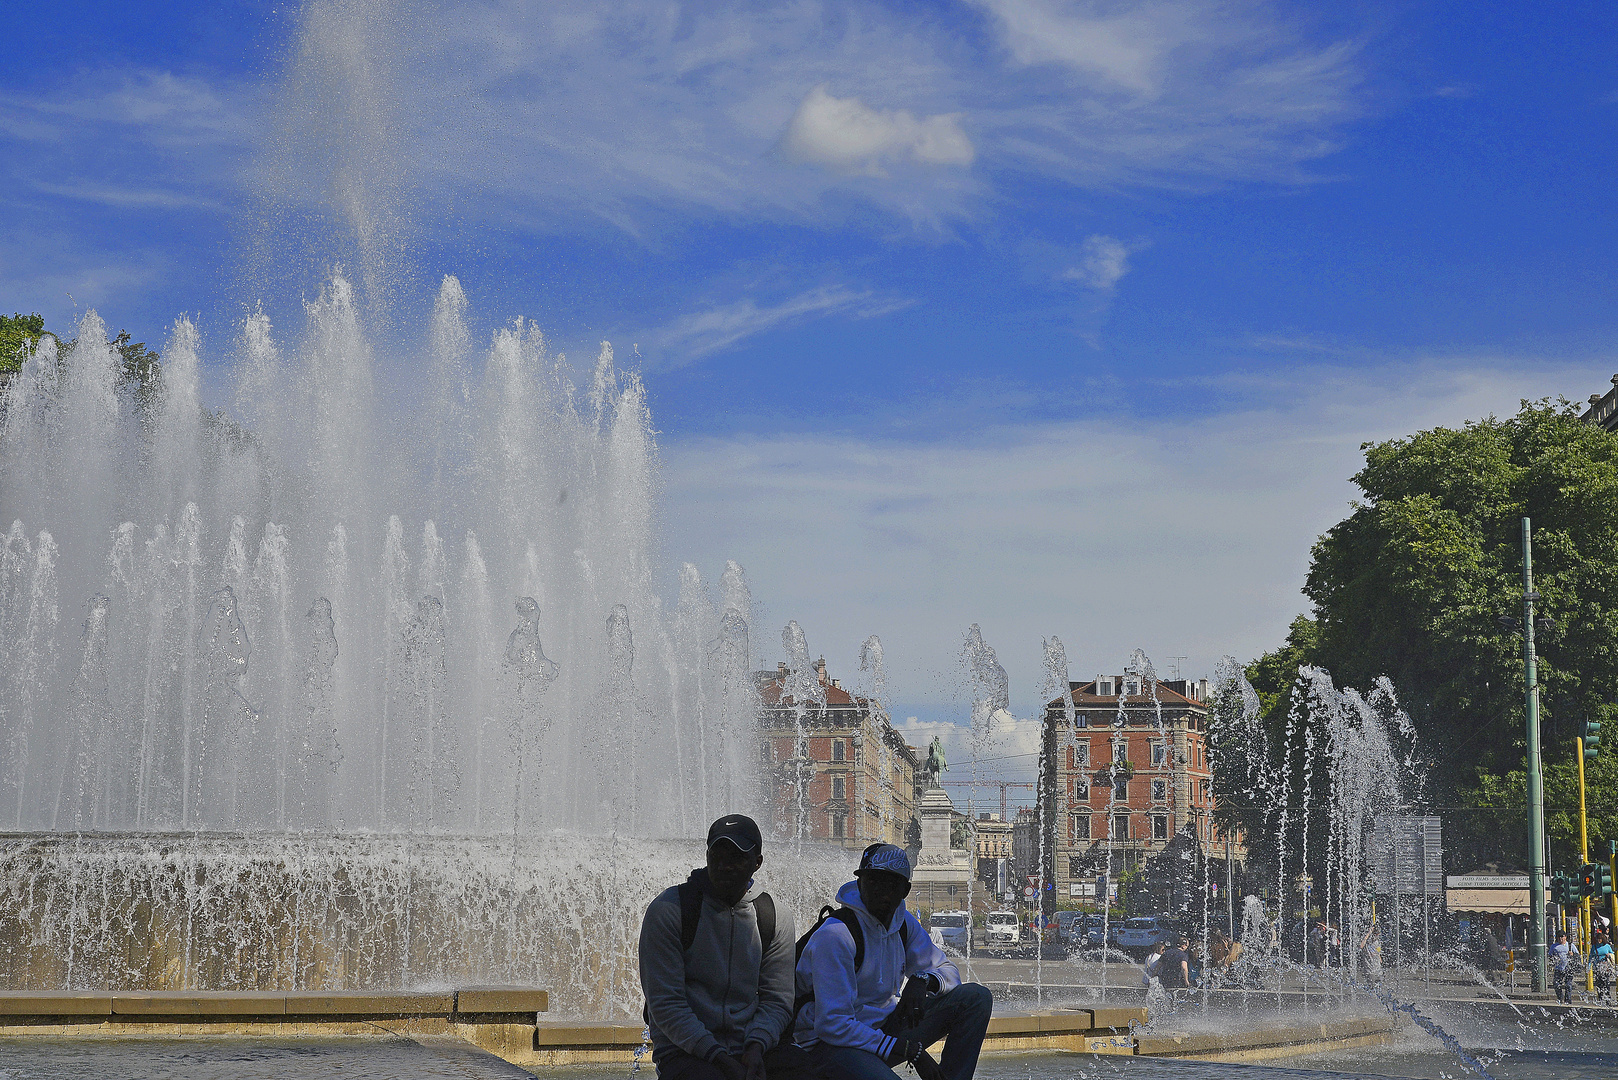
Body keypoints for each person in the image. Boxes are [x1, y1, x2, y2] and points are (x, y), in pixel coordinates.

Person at [794, 843, 993, 1080]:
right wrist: (909, 1050)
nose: (882, 892)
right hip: (828, 1046)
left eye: (891, 884)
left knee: (975, 998)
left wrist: (923, 980)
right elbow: (833, 1025)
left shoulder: (903, 924)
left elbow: (948, 971)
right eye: (874, 881)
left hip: (882, 1029)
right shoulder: (836, 934)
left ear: (905, 890)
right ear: (860, 883)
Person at [639, 814, 797, 1080]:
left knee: (804, 1070)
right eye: (718, 856)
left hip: (754, 1045)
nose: (726, 866)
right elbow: (666, 1003)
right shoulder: (670, 910)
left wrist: (757, 1045)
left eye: (737, 858)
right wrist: (718, 1057)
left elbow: (778, 1000)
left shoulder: (775, 916)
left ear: (757, 863)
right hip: (684, 1050)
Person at [1550, 931, 1577, 1005]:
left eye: (1562, 936)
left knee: (1568, 985)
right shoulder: (1554, 946)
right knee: (1556, 984)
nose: (1561, 938)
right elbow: (1550, 956)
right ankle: (1560, 997)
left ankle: (1568, 1000)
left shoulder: (1571, 945)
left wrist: (1572, 955)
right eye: (1559, 937)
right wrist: (1554, 959)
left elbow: (1577, 955)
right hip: (1558, 968)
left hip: (1568, 968)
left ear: (1565, 937)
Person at [1593, 932, 1616, 1005]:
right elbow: (1591, 956)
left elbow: (1612, 954)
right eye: (1598, 939)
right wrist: (1589, 966)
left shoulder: (1607, 946)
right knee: (1599, 984)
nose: (1599, 940)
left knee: (1606, 984)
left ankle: (1608, 999)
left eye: (1600, 939)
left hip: (1606, 967)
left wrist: (1609, 955)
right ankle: (1600, 998)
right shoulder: (1595, 947)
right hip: (1598, 967)